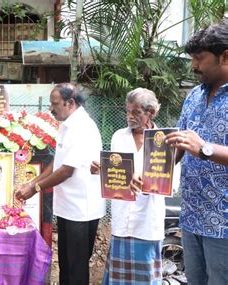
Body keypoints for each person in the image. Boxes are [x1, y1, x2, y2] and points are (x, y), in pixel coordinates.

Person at [15, 83, 106, 285]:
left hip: (82, 210)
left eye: (55, 104)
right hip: (67, 208)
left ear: (70, 102)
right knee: (66, 264)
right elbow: (58, 163)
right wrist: (33, 181)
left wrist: (35, 188)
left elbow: (66, 170)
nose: (51, 108)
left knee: (76, 268)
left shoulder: (82, 127)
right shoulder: (67, 124)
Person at [164, 21, 228, 285]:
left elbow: (199, 147)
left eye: (200, 58)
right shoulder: (193, 96)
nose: (194, 65)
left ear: (225, 56)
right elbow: (180, 146)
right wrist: (152, 171)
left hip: (223, 223)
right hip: (191, 217)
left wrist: (205, 149)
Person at [91, 88, 166, 284]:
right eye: (128, 111)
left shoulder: (164, 141)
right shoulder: (119, 137)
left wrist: (145, 181)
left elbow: (170, 183)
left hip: (147, 221)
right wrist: (101, 168)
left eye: (136, 112)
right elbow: (116, 173)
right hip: (122, 220)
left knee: (146, 278)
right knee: (119, 278)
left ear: (150, 112)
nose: (130, 117)